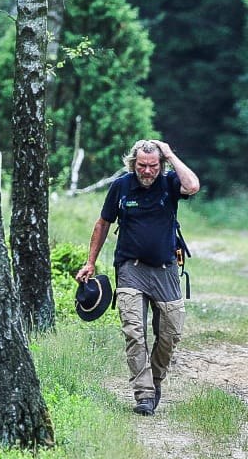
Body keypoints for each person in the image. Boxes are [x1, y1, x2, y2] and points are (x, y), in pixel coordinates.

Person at [76, 139, 201, 415]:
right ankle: (143, 395)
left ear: (161, 164)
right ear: (133, 164)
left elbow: (192, 186)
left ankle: (154, 381)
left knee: (170, 333)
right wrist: (90, 262)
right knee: (134, 331)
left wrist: (169, 153)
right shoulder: (121, 186)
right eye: (142, 165)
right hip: (130, 269)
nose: (147, 172)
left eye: (153, 166)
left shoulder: (169, 183)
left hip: (166, 269)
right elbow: (103, 223)